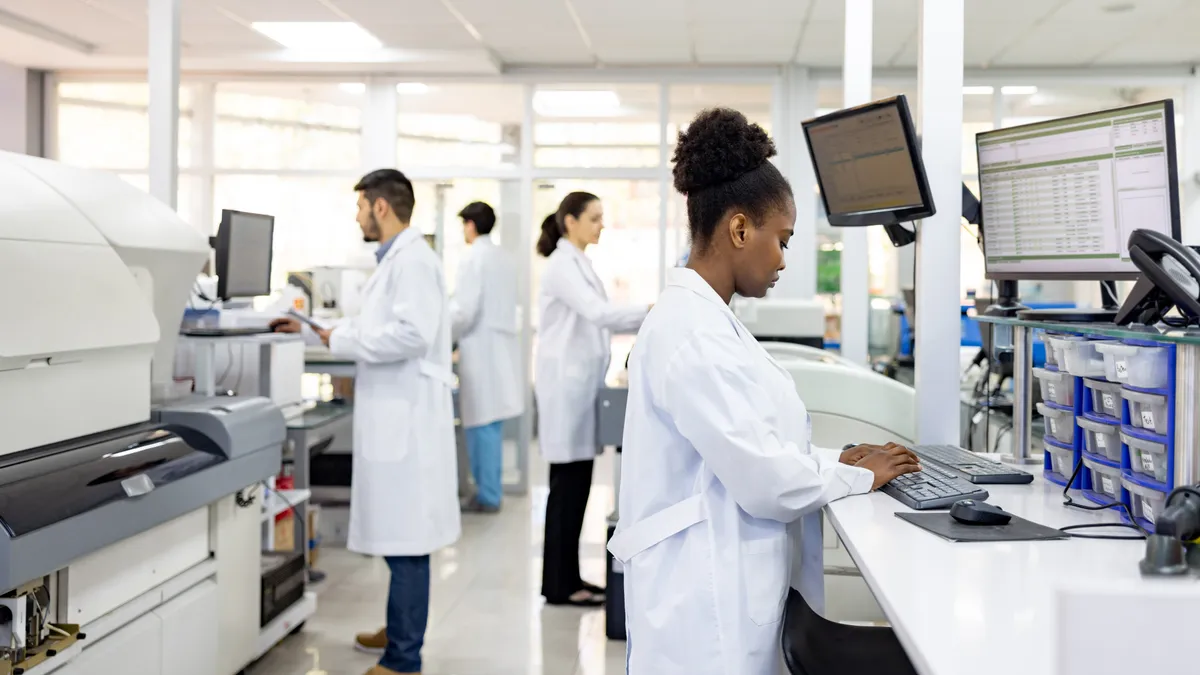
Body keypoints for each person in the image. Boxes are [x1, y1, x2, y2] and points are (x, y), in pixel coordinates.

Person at [608, 109, 921, 674]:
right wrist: (858, 475)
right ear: (739, 229)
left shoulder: (708, 321)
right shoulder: (690, 333)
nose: (782, 259)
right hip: (702, 619)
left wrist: (836, 459)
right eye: (782, 239)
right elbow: (765, 483)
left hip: (719, 591)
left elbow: (755, 446)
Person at [271, 169, 460, 675]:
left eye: (359, 207)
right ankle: (398, 631)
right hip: (396, 414)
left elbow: (410, 336)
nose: (356, 216)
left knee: (408, 542)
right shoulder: (398, 261)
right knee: (400, 537)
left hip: (408, 418)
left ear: (380, 207)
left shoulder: (414, 261)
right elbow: (377, 327)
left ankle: (403, 657)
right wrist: (320, 331)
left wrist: (338, 340)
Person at [534, 191, 651, 607]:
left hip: (579, 387)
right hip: (566, 390)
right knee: (567, 488)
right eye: (595, 218)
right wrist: (654, 309)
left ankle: (567, 579)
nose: (601, 225)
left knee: (575, 486)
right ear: (570, 221)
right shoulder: (562, 265)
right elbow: (600, 314)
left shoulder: (577, 262)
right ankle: (561, 584)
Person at [451, 201, 523, 513]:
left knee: (480, 425)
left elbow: (464, 311)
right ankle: (489, 492)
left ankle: (487, 495)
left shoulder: (472, 258)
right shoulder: (504, 259)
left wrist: (443, 335)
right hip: (500, 351)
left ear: (470, 225)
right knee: (490, 425)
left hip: (480, 352)